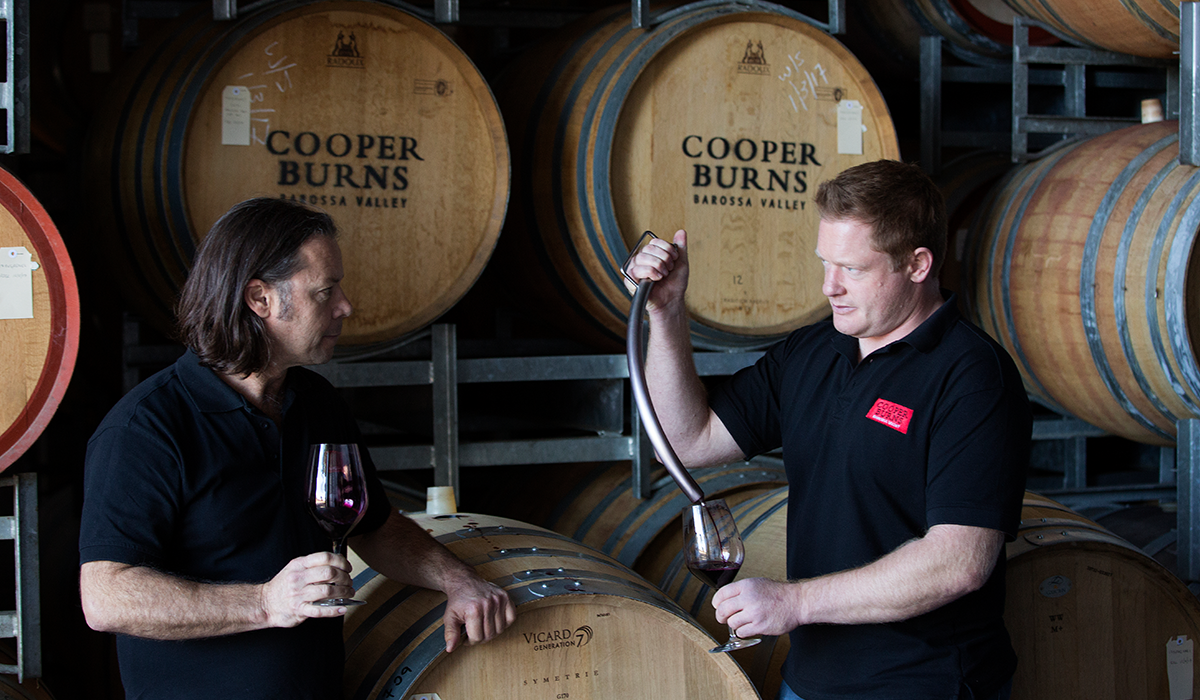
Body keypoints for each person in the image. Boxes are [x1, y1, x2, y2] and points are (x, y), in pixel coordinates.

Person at [79, 197, 516, 699]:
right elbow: (107, 596)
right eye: (325, 291)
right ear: (260, 299)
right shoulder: (147, 428)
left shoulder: (316, 402)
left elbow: (372, 525)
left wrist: (456, 579)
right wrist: (266, 603)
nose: (345, 305)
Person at [626, 160, 1031, 700]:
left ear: (918, 264)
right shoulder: (813, 350)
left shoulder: (972, 376)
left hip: (924, 684)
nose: (829, 286)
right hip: (812, 679)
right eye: (825, 263)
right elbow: (685, 442)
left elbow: (959, 563)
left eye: (853, 270)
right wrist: (668, 313)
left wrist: (795, 604)